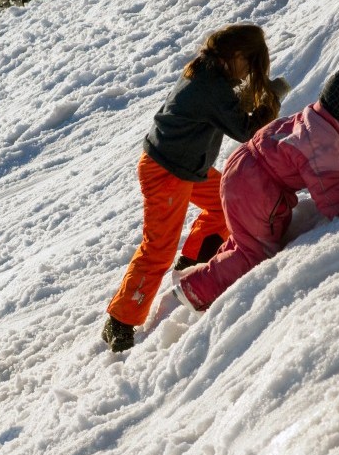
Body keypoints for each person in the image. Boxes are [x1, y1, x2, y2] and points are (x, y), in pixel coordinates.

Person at [102, 23, 290, 352]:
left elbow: (230, 109)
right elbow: (246, 129)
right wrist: (271, 97)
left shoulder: (208, 70)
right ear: (236, 56)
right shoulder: (211, 86)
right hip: (167, 171)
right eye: (250, 63)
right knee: (158, 248)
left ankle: (191, 265)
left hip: (183, 167)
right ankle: (120, 321)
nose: (249, 71)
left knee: (222, 202)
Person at [174, 68, 339, 312]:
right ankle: (195, 290)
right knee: (256, 252)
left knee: (247, 241)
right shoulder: (320, 139)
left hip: (246, 175)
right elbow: (332, 200)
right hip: (253, 186)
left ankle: (208, 276)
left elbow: (332, 168)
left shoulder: (318, 124)